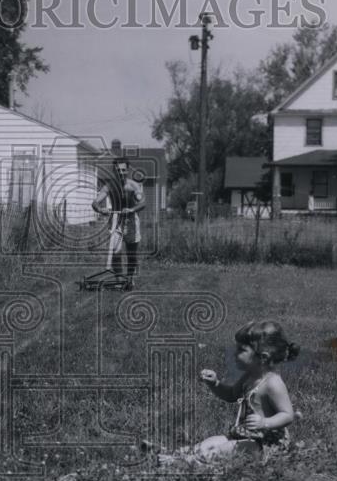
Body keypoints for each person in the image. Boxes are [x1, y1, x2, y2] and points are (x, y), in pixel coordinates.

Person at [158, 320, 300, 464]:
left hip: (266, 444)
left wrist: (265, 422)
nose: (234, 353)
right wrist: (215, 384)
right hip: (244, 436)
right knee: (211, 441)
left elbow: (287, 415)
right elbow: (231, 395)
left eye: (241, 350)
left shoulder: (273, 383)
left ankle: (185, 462)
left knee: (223, 449)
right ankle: (176, 453)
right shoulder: (249, 377)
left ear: (263, 357)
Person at [91, 159, 145, 290]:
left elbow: (143, 203)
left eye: (123, 170)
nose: (121, 173)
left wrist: (132, 209)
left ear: (127, 170)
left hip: (131, 220)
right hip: (116, 220)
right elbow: (95, 203)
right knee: (116, 252)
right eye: (118, 170)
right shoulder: (109, 186)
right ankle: (118, 280)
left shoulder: (133, 186)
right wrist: (100, 209)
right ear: (114, 171)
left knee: (131, 253)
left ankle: (130, 279)